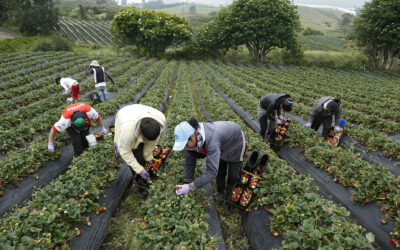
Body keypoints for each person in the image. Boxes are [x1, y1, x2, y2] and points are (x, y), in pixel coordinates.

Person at [173, 119, 246, 216]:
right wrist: (187, 181)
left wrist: (191, 187)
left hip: (235, 142)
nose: (185, 148)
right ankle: (220, 193)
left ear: (193, 136)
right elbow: (189, 162)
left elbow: (211, 172)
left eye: (185, 145)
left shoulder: (212, 141)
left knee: (233, 176)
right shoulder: (190, 141)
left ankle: (229, 203)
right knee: (220, 169)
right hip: (222, 143)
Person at [113, 104, 166, 195]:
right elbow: (125, 152)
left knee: (143, 154)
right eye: (144, 138)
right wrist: (139, 170)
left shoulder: (160, 122)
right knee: (133, 151)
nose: (145, 141)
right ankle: (140, 181)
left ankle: (148, 173)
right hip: (126, 114)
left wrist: (148, 156)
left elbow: (152, 143)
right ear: (140, 131)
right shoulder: (127, 131)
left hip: (143, 112)